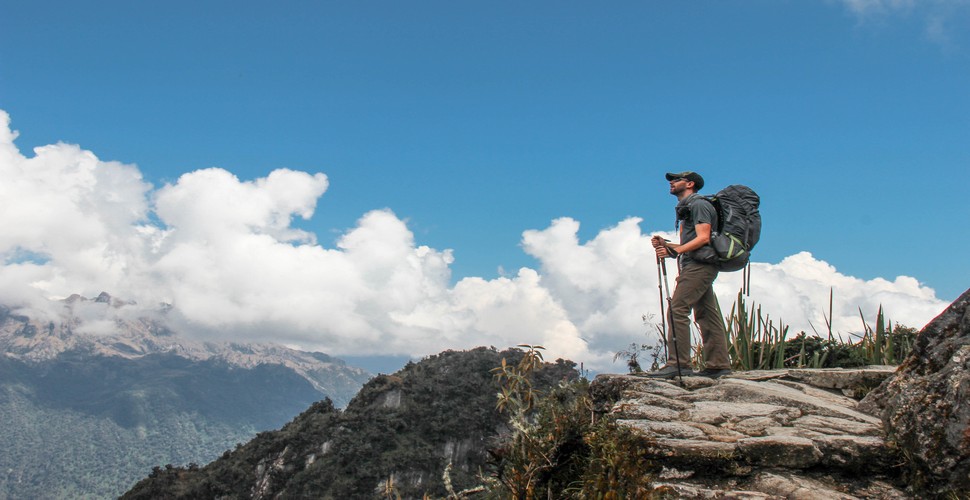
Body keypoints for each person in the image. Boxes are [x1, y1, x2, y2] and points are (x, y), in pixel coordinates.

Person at [649, 171, 732, 379]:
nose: (671, 183)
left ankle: (678, 364)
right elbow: (693, 244)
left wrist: (675, 250)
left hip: (699, 265)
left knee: (677, 308)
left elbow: (704, 238)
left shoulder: (698, 204)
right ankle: (718, 364)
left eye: (676, 180)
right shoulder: (688, 207)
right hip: (697, 263)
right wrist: (668, 246)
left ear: (690, 184)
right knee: (706, 313)